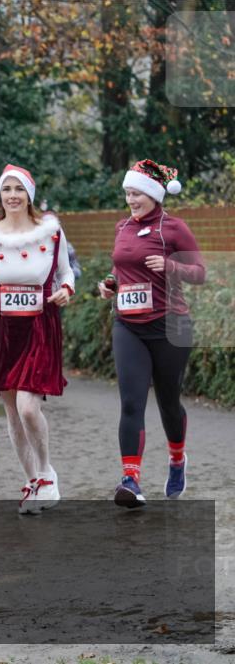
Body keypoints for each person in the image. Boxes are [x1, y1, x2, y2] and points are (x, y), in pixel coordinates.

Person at [0, 164, 75, 514]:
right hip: (4, 328)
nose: (12, 195)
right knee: (11, 410)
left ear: (29, 195)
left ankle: (47, 471)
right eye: (6, 189)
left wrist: (66, 289)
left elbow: (66, 273)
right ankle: (32, 481)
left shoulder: (50, 232)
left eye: (18, 189)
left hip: (40, 325)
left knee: (27, 407)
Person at [98, 160, 205, 507]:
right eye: (128, 193)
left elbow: (199, 273)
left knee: (169, 403)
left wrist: (171, 265)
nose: (131, 199)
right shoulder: (122, 226)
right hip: (128, 325)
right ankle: (130, 479)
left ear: (154, 195)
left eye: (137, 194)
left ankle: (177, 460)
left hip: (170, 326)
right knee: (131, 403)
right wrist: (111, 284)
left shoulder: (173, 228)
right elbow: (121, 267)